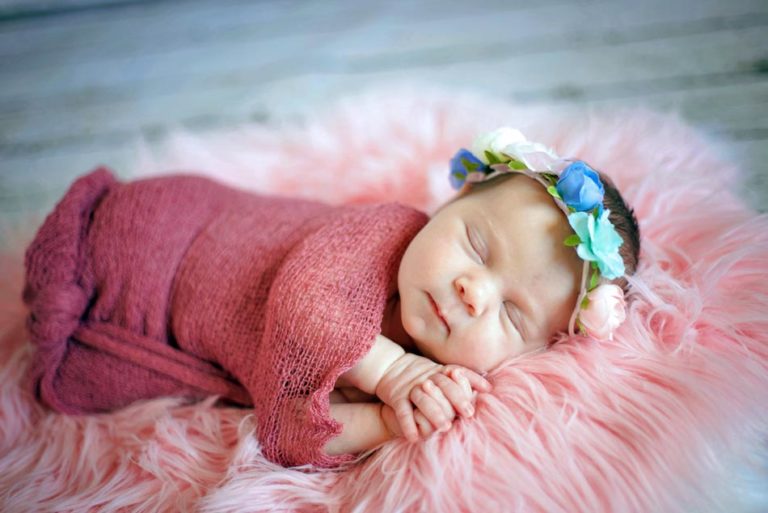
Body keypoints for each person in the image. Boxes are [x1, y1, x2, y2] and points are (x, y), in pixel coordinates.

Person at [23, 127, 640, 468]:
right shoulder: (384, 234)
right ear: (444, 209)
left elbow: (286, 431)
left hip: (172, 317)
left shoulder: (435, 370)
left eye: (511, 314)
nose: (472, 291)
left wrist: (390, 422)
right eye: (476, 246)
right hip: (155, 235)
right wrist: (393, 372)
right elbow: (305, 305)